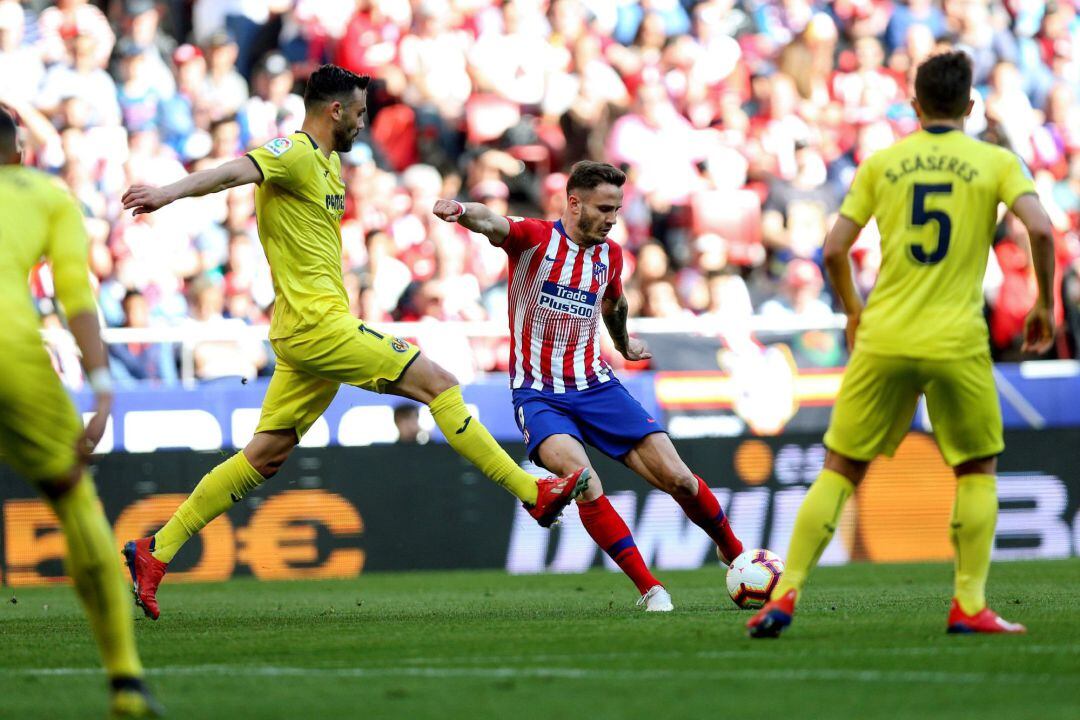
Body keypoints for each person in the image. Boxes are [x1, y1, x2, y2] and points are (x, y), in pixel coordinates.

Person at [120, 65, 588, 621]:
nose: (365, 123)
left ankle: (156, 550)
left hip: (310, 331)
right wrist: (167, 193)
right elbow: (232, 173)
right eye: (361, 113)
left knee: (264, 456)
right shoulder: (292, 152)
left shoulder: (331, 166)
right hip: (318, 328)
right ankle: (531, 493)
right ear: (335, 110)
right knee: (440, 384)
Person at [748, 51, 1056, 638]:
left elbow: (835, 250)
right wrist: (1045, 302)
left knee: (841, 467)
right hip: (955, 339)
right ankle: (968, 603)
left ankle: (783, 597)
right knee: (976, 468)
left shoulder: (882, 163)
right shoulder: (994, 160)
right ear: (969, 106)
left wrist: (853, 312)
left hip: (884, 334)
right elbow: (1041, 228)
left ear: (914, 106)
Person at [434, 161, 744, 611]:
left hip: (598, 387)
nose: (612, 218)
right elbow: (491, 221)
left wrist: (622, 342)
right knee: (582, 481)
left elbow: (614, 303)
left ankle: (733, 552)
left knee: (679, 478)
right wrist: (461, 209)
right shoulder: (535, 239)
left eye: (617, 209)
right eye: (603, 208)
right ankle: (650, 589)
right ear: (574, 202)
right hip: (539, 395)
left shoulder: (610, 256)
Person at [0, 107, 160, 717]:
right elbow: (74, 294)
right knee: (73, 500)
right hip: (11, 354)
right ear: (17, 152)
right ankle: (125, 682)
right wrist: (100, 386)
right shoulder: (47, 195)